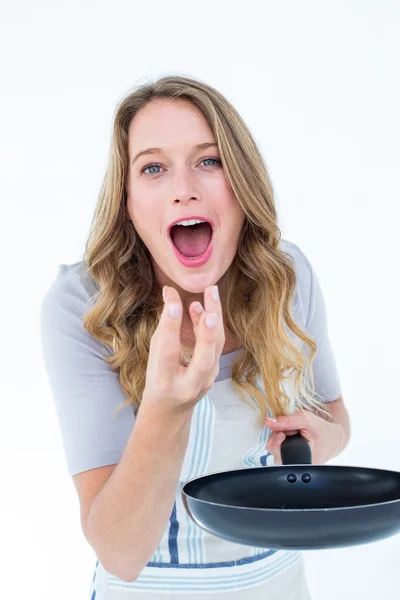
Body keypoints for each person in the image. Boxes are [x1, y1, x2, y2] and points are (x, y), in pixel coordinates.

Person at [40, 75, 351, 600]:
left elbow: (335, 416)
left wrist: (323, 438)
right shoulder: (83, 308)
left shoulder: (288, 277)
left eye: (209, 161)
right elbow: (120, 551)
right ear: (129, 201)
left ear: (242, 183)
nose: (184, 188)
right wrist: (166, 407)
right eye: (153, 168)